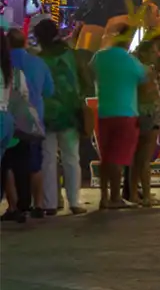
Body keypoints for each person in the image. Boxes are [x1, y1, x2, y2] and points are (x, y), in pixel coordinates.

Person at [33, 19, 89, 216]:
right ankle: (74, 201)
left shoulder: (38, 59)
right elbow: (85, 80)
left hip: (45, 114)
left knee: (47, 159)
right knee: (71, 158)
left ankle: (50, 203)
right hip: (70, 112)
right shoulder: (71, 55)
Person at [91, 21, 146, 209]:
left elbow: (89, 74)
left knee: (106, 156)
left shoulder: (99, 57)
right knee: (118, 158)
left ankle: (104, 196)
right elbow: (145, 82)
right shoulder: (131, 61)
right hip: (126, 113)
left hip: (104, 111)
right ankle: (115, 197)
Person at [6, 28, 53, 219]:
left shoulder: (4, 63)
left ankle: (14, 207)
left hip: (9, 122)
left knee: (8, 164)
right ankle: (39, 204)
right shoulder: (38, 63)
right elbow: (49, 91)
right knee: (35, 164)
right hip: (34, 121)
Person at [132, 33, 160, 207]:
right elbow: (152, 94)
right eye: (154, 51)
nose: (157, 54)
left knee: (137, 157)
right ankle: (146, 195)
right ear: (145, 54)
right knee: (145, 157)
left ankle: (134, 193)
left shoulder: (136, 69)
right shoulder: (146, 71)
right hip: (149, 113)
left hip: (138, 112)